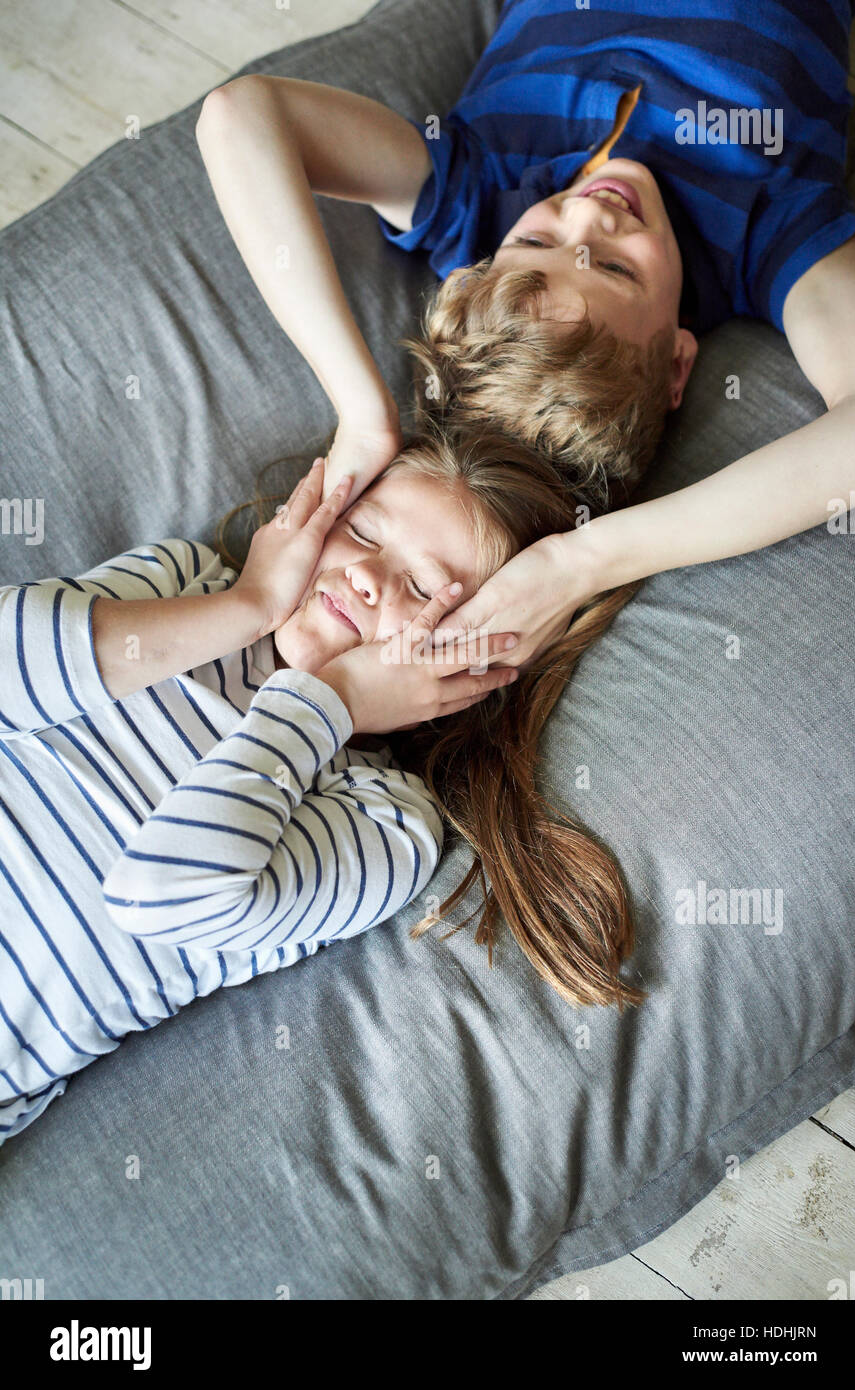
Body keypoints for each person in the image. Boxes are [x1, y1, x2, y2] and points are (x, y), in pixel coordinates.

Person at [0, 438, 641, 1148]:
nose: (365, 575)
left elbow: (155, 895)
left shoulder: (386, 821)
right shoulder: (185, 582)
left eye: (424, 589)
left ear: (468, 669)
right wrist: (248, 604)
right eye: (361, 532)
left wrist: (331, 700)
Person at [194, 0, 855, 665]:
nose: (588, 214)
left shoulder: (477, 196)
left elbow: (242, 114)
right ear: (676, 365)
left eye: (536, 241)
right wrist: (582, 561)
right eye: (617, 269)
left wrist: (362, 412)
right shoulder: (774, 230)